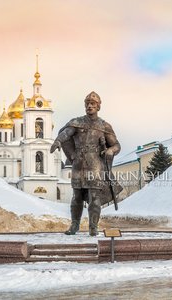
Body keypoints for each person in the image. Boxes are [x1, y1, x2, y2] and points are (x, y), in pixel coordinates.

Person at [50, 91, 122, 236]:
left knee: (94, 196)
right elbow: (66, 134)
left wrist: (110, 151)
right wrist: (58, 140)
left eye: (93, 104)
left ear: (98, 107)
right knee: (76, 196)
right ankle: (74, 225)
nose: (90, 106)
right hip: (79, 163)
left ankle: (93, 227)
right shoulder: (77, 122)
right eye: (87, 104)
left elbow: (116, 145)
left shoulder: (104, 126)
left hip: (96, 164)